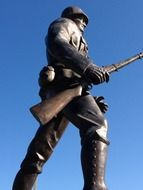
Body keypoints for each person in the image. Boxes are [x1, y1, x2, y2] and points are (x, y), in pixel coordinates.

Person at [12, 6, 110, 190]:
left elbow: (75, 75)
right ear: (72, 17)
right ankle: (96, 187)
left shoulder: (81, 40)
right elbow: (57, 43)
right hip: (64, 89)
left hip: (67, 92)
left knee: (38, 154)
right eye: (81, 18)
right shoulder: (64, 24)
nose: (84, 23)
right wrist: (87, 66)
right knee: (97, 125)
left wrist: (92, 100)